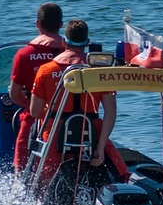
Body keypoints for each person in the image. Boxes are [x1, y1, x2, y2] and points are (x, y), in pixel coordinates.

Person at [29, 18, 128, 185]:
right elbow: (110, 113)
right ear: (87, 43)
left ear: (64, 42)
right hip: (91, 136)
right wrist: (101, 148)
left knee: (44, 185)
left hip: (54, 135)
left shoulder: (45, 70)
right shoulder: (100, 72)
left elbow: (35, 111)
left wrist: (53, 109)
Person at [9, 2, 65, 171]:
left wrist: (32, 105)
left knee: (22, 157)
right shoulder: (72, 52)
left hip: (36, 118)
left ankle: (19, 185)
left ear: (38, 24)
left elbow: (14, 94)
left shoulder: (24, 54)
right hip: (70, 116)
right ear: (61, 25)